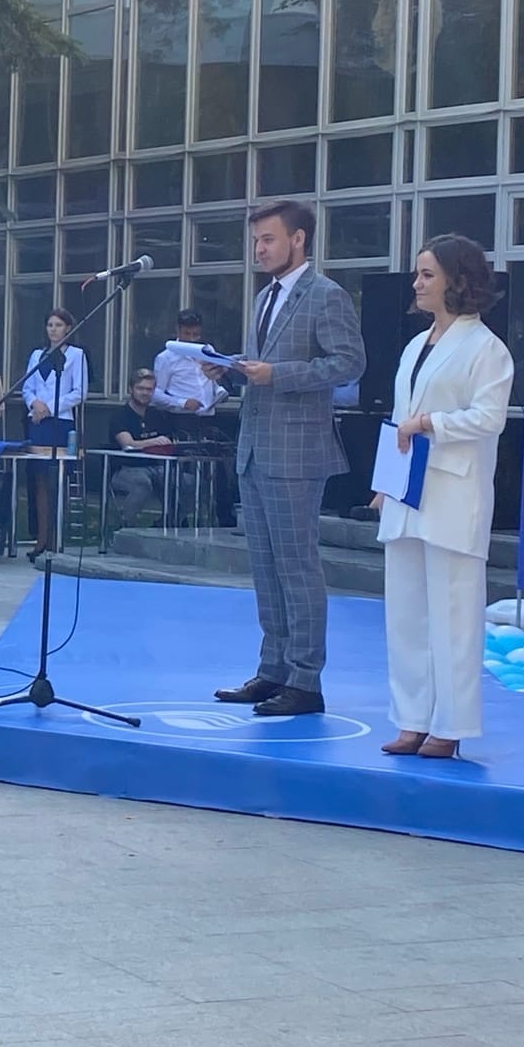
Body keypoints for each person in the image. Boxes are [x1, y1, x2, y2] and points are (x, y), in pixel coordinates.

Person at [205, 200, 366, 717]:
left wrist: (279, 374)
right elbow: (264, 367)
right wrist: (233, 370)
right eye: (256, 241)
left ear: (298, 239)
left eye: (268, 239)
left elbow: (350, 363)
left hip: (297, 451)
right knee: (265, 568)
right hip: (255, 446)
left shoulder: (326, 295)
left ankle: (305, 679)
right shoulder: (264, 297)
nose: (259, 249)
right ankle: (272, 669)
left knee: (297, 568)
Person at [374, 236, 514, 760]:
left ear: (458, 280)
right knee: (406, 615)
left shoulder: (487, 348)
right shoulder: (415, 345)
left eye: (427, 274)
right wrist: (385, 482)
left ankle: (450, 725)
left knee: (453, 617)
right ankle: (411, 719)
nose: (417, 283)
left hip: (454, 493)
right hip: (407, 492)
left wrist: (431, 422)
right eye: (418, 273)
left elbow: (489, 418)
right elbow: (399, 421)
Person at [22, 308, 86, 554]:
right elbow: (27, 388)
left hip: (61, 421)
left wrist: (49, 407)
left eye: (58, 325)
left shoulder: (77, 355)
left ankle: (57, 537)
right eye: (50, 325)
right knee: (39, 479)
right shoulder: (37, 354)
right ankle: (41, 537)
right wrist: (34, 404)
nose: (53, 329)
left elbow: (79, 392)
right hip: (38, 422)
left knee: (58, 480)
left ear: (68, 328)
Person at [108, 369, 170, 533]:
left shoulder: (158, 416)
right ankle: (123, 529)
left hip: (156, 467)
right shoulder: (120, 416)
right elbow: (128, 444)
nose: (145, 393)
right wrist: (154, 442)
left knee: (188, 483)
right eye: (140, 388)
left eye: (149, 389)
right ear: (130, 389)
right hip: (125, 468)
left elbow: (168, 441)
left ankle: (167, 523)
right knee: (142, 484)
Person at [153, 308, 228, 434]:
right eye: (187, 334)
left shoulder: (208, 350)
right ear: (178, 331)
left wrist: (219, 391)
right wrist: (183, 403)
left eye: (196, 334)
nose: (192, 339)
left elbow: (210, 378)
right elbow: (156, 394)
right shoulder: (166, 357)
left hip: (209, 417)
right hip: (182, 418)